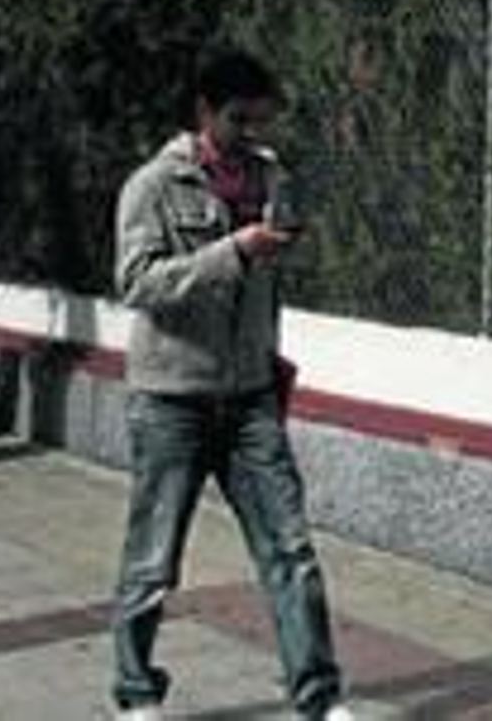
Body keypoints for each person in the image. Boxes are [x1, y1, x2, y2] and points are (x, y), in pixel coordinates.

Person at [110, 46, 352, 720]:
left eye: (261, 120)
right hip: (172, 399)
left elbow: (272, 277)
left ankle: (318, 698)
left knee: (292, 551)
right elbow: (138, 283)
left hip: (249, 397)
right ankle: (136, 694)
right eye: (238, 119)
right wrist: (233, 251)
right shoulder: (155, 186)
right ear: (204, 111)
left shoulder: (272, 177)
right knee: (153, 557)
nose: (251, 134)